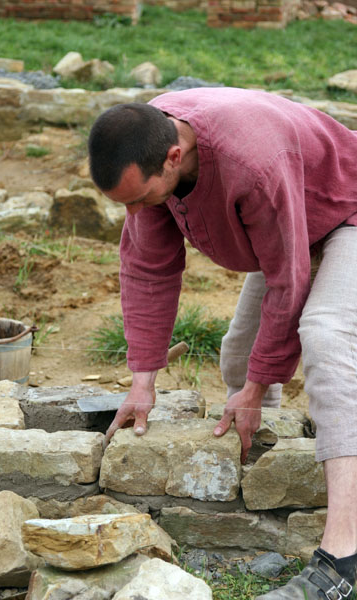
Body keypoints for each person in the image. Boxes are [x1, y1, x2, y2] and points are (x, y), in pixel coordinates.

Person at [88, 87, 357, 599]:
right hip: (293, 217)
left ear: (174, 157)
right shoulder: (149, 141)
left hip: (349, 207)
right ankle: (265, 474)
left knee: (325, 335)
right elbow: (148, 269)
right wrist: (143, 380)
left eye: (141, 197)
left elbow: (288, 280)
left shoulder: (250, 164)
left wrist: (257, 386)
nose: (136, 210)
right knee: (239, 356)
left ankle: (342, 557)